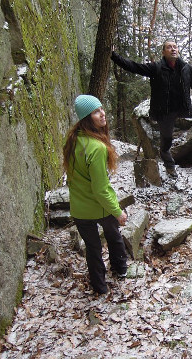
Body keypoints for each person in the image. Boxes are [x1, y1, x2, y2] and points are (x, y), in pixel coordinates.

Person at [111, 40, 192, 178]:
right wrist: (113, 55)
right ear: (163, 52)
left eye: (175, 47)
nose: (173, 49)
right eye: (169, 47)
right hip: (165, 112)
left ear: (178, 50)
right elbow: (133, 67)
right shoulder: (156, 68)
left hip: (183, 107)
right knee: (167, 140)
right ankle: (169, 166)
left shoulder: (186, 68)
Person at [63, 94, 128, 295]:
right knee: (114, 236)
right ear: (86, 118)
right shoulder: (97, 148)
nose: (102, 114)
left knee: (93, 249)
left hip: (79, 209)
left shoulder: (73, 141)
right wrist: (117, 212)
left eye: (101, 109)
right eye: (96, 112)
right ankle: (121, 270)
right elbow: (100, 190)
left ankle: (100, 289)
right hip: (99, 206)